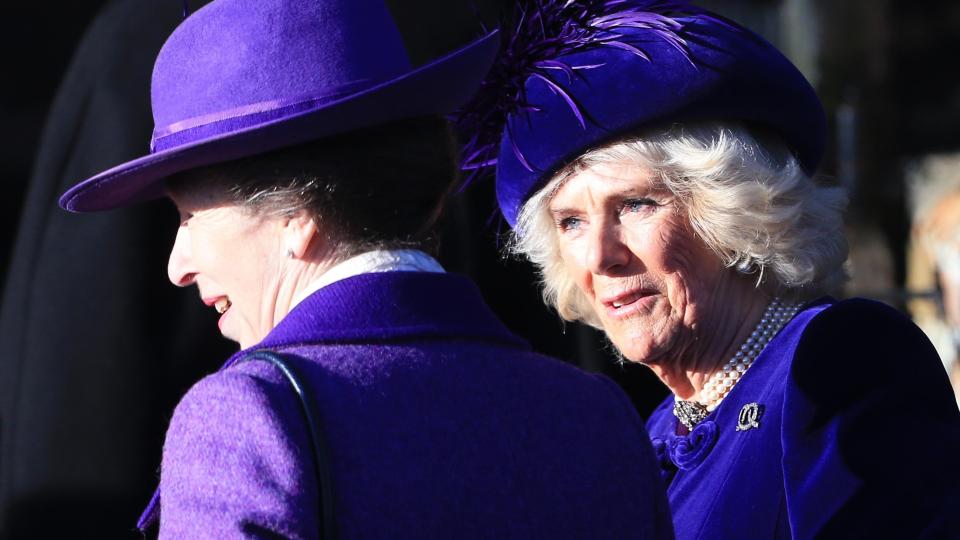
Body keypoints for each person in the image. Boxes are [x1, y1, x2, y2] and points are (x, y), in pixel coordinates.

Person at [58, 0, 675, 537]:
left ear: (296, 215)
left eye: (190, 218)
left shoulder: (252, 416)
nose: (177, 266)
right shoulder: (598, 413)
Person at [458, 1, 960, 538]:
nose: (601, 255)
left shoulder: (837, 360)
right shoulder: (655, 430)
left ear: (733, 212)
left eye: (635, 204)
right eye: (571, 221)